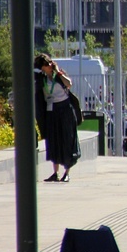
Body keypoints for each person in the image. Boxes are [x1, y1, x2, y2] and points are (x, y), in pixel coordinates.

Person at [34, 53, 80, 182]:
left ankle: (67, 172)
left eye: (49, 63)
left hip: (65, 109)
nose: (49, 66)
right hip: (52, 110)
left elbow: (69, 83)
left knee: (66, 140)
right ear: (42, 67)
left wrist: (58, 72)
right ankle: (55, 173)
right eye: (46, 64)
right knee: (54, 141)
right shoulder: (41, 78)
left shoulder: (58, 74)